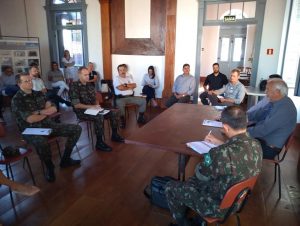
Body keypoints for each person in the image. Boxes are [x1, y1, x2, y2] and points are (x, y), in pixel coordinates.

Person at [165, 106, 262, 226]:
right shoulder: (256, 144)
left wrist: (212, 155)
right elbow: (237, 147)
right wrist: (219, 143)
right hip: (238, 200)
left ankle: (183, 223)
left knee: (170, 186)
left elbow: (200, 174)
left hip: (217, 207)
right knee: (196, 180)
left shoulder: (220, 153)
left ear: (225, 127)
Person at [11, 73, 82, 182]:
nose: (30, 82)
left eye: (30, 80)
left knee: (76, 129)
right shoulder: (17, 100)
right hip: (31, 130)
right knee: (41, 141)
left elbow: (53, 108)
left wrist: (39, 112)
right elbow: (30, 119)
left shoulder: (39, 94)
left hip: (48, 125)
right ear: (19, 83)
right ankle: (50, 167)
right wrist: (46, 112)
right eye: (27, 81)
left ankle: (65, 159)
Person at [69, 67, 124, 152]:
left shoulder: (90, 85)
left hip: (93, 109)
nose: (88, 77)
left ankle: (114, 134)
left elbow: (95, 99)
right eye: (85, 75)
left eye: (88, 74)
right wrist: (92, 107)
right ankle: (99, 142)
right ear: (79, 75)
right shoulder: (74, 86)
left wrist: (97, 105)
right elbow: (76, 105)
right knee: (99, 117)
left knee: (114, 112)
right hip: (82, 112)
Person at [247, 79, 297, 159]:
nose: (265, 92)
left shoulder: (285, 108)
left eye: (268, 90)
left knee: (235, 146)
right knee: (233, 138)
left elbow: (264, 130)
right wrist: (239, 117)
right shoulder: (275, 102)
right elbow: (258, 114)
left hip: (269, 147)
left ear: (277, 92)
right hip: (262, 139)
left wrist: (242, 132)